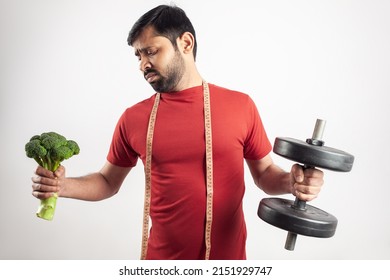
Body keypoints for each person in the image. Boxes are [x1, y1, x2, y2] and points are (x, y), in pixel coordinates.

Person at [31, 4, 324, 260]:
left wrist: (293, 183)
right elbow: (108, 181)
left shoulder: (241, 106)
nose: (143, 64)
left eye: (151, 51)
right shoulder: (133, 118)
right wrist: (63, 186)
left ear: (185, 43)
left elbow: (265, 174)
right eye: (137, 56)